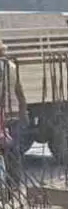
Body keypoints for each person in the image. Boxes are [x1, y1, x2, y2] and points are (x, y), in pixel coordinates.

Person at [0, 40, 27, 197]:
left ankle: (5, 189)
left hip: (3, 113)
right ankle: (14, 185)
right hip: (14, 112)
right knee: (13, 150)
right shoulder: (11, 66)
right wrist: (24, 111)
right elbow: (19, 91)